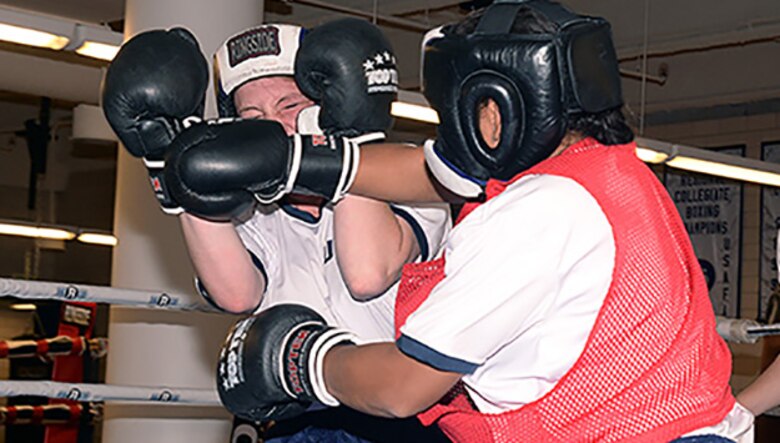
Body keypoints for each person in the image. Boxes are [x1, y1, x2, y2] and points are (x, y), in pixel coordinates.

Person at [193, 1, 755, 442]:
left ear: (494, 104)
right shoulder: (612, 171)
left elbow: (401, 388)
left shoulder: (534, 213)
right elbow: (427, 171)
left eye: (454, 106)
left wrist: (303, 358)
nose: (447, 127)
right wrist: (298, 157)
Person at [101, 20, 451, 442]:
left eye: (289, 106)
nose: (277, 129)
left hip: (409, 416)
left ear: (333, 101)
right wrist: (172, 162)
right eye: (254, 117)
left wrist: (353, 138)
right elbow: (236, 294)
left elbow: (367, 274)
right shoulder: (254, 213)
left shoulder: (410, 174)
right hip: (299, 419)